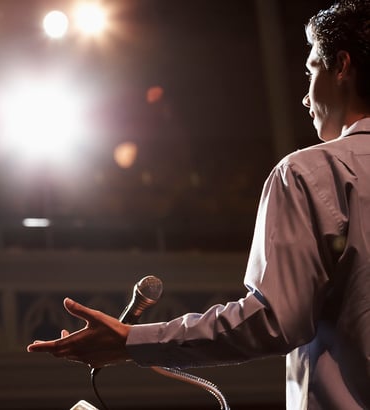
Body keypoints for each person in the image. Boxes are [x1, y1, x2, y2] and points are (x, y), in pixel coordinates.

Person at [27, 1, 370, 408]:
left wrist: (131, 341)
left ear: (342, 66)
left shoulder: (312, 172)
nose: (304, 98)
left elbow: (277, 320)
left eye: (311, 68)